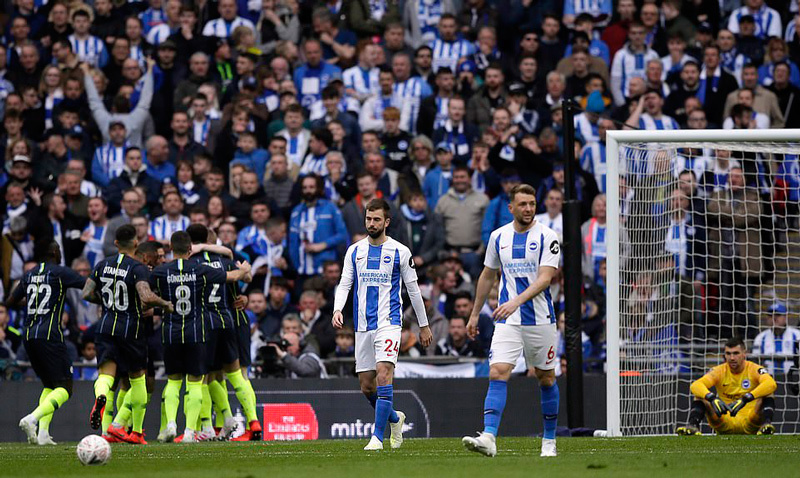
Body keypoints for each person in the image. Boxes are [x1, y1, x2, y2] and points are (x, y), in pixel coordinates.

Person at [463, 184, 560, 458]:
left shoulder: (547, 236)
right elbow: (487, 275)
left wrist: (516, 301)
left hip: (540, 319)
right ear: (511, 208)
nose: (529, 208)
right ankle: (489, 436)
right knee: (498, 371)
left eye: (532, 203)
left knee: (546, 378)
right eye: (523, 204)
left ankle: (549, 440)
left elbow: (545, 278)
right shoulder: (498, 237)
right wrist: (474, 314)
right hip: (507, 321)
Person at [332, 198, 432, 450]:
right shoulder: (354, 251)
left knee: (384, 374)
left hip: (390, 322)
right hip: (363, 325)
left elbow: (414, 290)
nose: (372, 223)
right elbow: (345, 283)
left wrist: (424, 325)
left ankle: (377, 437)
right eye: (368, 218)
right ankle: (395, 419)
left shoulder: (401, 251)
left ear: (386, 222)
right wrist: (337, 309)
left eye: (377, 219)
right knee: (367, 385)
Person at [149, 230, 250, 443]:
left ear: (170, 247)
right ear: (189, 249)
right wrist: (244, 270)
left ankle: (170, 425)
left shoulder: (160, 272)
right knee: (195, 383)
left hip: (171, 332)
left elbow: (147, 293)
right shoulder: (199, 269)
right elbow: (231, 277)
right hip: (196, 332)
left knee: (174, 382)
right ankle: (188, 433)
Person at [82, 225, 173, 445]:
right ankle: (137, 432)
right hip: (130, 327)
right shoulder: (137, 268)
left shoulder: (102, 265)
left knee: (106, 376)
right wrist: (165, 303)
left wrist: (104, 300)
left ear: (115, 244)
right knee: (137, 379)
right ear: (135, 243)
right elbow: (146, 296)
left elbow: (86, 293)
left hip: (105, 325)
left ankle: (101, 397)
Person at [185, 225, 261, 442]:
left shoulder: (193, 264)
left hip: (211, 322)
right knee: (232, 375)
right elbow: (246, 276)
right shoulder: (227, 259)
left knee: (207, 377)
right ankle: (238, 423)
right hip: (232, 320)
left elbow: (245, 277)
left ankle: (211, 426)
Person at [13, 242, 86, 446]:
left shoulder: (29, 275)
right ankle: (32, 419)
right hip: (50, 336)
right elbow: (86, 284)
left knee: (49, 384)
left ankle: (43, 433)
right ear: (55, 252)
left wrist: (32, 301)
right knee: (65, 388)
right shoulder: (60, 272)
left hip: (28, 335)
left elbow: (11, 300)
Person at [676, 337, 777, 436]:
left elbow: (771, 384)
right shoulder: (719, 371)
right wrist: (711, 398)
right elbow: (695, 385)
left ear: (744, 354)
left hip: (751, 421)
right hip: (724, 421)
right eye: (728, 353)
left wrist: (746, 398)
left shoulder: (754, 369)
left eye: (736, 353)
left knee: (768, 393)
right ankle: (693, 426)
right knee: (700, 396)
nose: (732, 358)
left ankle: (766, 425)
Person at [753, 302, 800, 376]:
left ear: (785, 317)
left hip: (793, 379)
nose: (774, 318)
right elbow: (755, 363)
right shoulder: (761, 337)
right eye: (770, 315)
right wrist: (764, 375)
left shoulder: (797, 335)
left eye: (777, 315)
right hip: (767, 379)